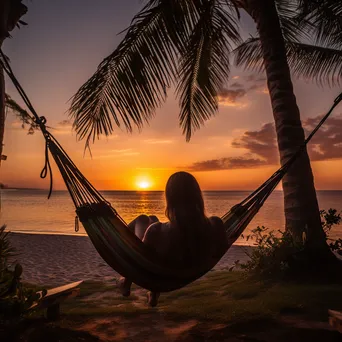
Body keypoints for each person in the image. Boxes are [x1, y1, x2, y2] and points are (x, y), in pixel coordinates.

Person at [118, 171, 229, 307]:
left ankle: (126, 281)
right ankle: (153, 294)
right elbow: (221, 249)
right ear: (197, 196)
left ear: (170, 199)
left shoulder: (157, 230)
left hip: (159, 274)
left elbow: (140, 261)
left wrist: (121, 243)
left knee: (143, 219)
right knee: (152, 219)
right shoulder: (216, 224)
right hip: (190, 270)